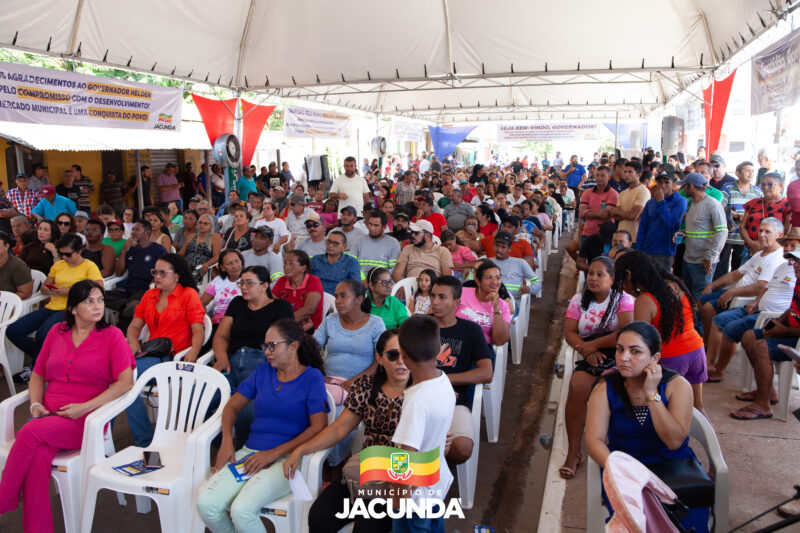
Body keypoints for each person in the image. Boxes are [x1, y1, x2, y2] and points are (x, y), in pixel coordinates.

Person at [0, 280, 134, 533]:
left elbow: (126, 383)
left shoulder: (111, 336)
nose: (97, 306)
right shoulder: (57, 332)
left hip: (85, 419)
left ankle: (4, 499)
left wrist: (85, 408)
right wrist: (36, 404)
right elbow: (38, 374)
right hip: (48, 416)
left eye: (100, 300)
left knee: (28, 433)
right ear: (72, 308)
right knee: (38, 458)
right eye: (89, 301)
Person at [196, 319, 329, 533]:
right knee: (206, 505)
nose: (267, 351)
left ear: (293, 346)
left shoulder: (311, 377)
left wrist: (273, 454)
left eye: (272, 346)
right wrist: (227, 442)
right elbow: (231, 408)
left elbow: (318, 426)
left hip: (289, 459)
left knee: (242, 511)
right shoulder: (264, 371)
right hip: (251, 453)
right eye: (265, 346)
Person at [585, 321, 707, 533]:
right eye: (620, 349)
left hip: (672, 463)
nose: (623, 357)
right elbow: (593, 439)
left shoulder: (677, 386)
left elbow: (674, 441)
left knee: (686, 523)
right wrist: (617, 468)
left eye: (635, 351)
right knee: (632, 514)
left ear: (655, 359)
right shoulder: (605, 387)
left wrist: (652, 394)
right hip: (624, 466)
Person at [561, 256, 634, 479]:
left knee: (623, 392)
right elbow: (570, 332)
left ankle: (623, 450)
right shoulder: (578, 300)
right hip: (588, 353)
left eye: (600, 274)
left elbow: (626, 332)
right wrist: (587, 350)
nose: (593, 278)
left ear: (612, 279)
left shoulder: (624, 300)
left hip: (620, 353)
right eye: (591, 273)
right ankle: (574, 453)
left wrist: (595, 344)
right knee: (577, 387)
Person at [124, 254, 206, 447]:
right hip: (149, 354)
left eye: (162, 273)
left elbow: (198, 330)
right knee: (122, 381)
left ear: (177, 275)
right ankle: (131, 439)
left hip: (173, 357)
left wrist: (193, 353)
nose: (157, 276)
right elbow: (134, 327)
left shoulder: (188, 294)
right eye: (155, 272)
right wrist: (135, 346)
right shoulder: (149, 295)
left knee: (124, 380)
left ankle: (143, 442)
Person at [614, 251, 707, 412]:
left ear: (629, 274)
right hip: (696, 351)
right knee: (697, 408)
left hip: (671, 359)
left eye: (621, 279)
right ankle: (710, 437)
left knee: (667, 411)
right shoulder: (674, 284)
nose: (621, 285)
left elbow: (640, 342)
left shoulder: (645, 300)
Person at [210, 266, 295, 442]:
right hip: (231, 361)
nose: (243, 287)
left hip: (261, 363)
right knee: (203, 399)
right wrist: (221, 357)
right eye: (241, 282)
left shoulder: (280, 307)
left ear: (264, 286)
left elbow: (284, 344)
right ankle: (222, 445)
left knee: (246, 409)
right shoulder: (237, 303)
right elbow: (221, 336)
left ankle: (242, 453)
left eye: (249, 283)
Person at [707, 228, 800, 384]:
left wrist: (782, 327)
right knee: (719, 319)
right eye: (788, 246)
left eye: (794, 246)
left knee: (746, 336)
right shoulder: (785, 266)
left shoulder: (792, 269)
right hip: (762, 311)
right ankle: (709, 364)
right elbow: (767, 289)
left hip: (772, 315)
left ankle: (721, 371)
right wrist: (756, 303)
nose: (789, 250)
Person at [389, 316, 455, 533]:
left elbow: (406, 458)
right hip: (436, 482)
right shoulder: (443, 380)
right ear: (438, 349)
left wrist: (398, 499)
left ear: (404, 355)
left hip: (415, 497)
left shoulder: (416, 401)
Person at [8, 234, 103, 382]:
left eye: (68, 254)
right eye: (61, 254)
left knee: (43, 334)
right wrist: (48, 289)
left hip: (73, 309)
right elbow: (45, 286)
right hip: (53, 305)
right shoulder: (58, 265)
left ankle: (35, 369)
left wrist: (71, 291)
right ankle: (44, 360)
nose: (64, 257)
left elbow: (99, 289)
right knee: (13, 331)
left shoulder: (89, 266)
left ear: (79, 250)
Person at [430, 276, 493, 464]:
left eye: (442, 297)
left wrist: (443, 380)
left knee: (462, 450)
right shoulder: (420, 326)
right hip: (417, 396)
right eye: (433, 296)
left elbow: (486, 373)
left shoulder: (470, 330)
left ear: (457, 302)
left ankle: (436, 461)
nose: (435, 302)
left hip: (454, 400)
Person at [698, 217, 785, 340]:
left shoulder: (776, 258)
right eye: (760, 231)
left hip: (745, 297)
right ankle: (705, 336)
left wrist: (731, 292)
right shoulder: (759, 254)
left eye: (767, 232)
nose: (761, 235)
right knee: (702, 300)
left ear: (779, 235)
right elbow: (736, 274)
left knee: (708, 308)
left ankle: (706, 343)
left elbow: (759, 287)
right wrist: (711, 286)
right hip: (736, 291)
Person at [314, 280, 386, 390]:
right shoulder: (330, 320)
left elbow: (382, 359)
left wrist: (355, 381)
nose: (337, 301)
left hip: (362, 386)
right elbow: (310, 349)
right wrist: (320, 376)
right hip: (329, 383)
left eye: (343, 296)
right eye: (336, 296)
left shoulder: (376, 324)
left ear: (359, 299)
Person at [104, 219, 167, 333]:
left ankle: (121, 336)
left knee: (133, 307)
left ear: (147, 232)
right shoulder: (130, 249)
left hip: (146, 289)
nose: (133, 232)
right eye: (132, 229)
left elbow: (165, 270)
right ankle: (126, 306)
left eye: (137, 229)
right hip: (128, 289)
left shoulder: (158, 249)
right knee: (99, 296)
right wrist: (124, 251)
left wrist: (154, 281)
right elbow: (119, 273)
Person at [681, 172, 728, 297]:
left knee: (701, 294)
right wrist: (683, 232)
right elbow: (699, 229)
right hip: (690, 258)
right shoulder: (694, 204)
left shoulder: (712, 204)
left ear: (690, 187)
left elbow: (722, 231)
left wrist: (711, 256)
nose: (682, 189)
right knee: (690, 292)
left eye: (684, 186)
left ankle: (699, 317)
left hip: (704, 261)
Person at [635, 170, 688, 273]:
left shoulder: (680, 201)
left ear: (673, 184)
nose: (663, 185)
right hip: (647, 249)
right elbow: (643, 227)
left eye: (666, 182)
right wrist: (639, 249)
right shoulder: (650, 202)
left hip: (664, 252)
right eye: (660, 182)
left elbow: (671, 223)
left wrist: (661, 202)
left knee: (662, 283)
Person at [456, 260, 511, 347]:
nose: (494, 282)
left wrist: (496, 307)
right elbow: (447, 318)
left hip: (481, 348)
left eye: (498, 277)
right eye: (489, 277)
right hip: (456, 342)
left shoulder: (503, 305)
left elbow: (500, 341)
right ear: (478, 281)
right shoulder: (462, 292)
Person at [740, 172, 791, 257]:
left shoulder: (788, 204)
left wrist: (768, 246)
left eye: (770, 184)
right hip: (751, 249)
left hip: (774, 251)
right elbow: (742, 227)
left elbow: (787, 229)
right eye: (763, 185)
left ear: (781, 186)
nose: (765, 188)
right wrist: (752, 243)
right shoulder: (753, 203)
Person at [272, 250, 325, 331]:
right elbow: (272, 304)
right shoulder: (282, 281)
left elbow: (309, 310)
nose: (286, 266)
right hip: (284, 327)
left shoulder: (313, 281)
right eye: (285, 263)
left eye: (291, 264)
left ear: (303, 268)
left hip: (310, 329)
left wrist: (283, 325)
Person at [492, 231, 540, 305]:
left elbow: (537, 283)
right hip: (489, 302)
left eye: (503, 247)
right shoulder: (487, 263)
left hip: (513, 303)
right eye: (497, 246)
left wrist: (529, 289)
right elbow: (470, 282)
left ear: (510, 249)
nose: (499, 250)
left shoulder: (520, 263)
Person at [608, 161, 650, 245]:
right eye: (625, 172)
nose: (626, 174)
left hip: (635, 239)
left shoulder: (643, 191)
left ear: (639, 174)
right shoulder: (623, 193)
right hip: (620, 239)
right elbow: (615, 216)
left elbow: (634, 215)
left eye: (630, 172)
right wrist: (626, 214)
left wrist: (618, 212)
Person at [311, 229, 362, 295]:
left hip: (340, 300)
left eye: (335, 243)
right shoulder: (315, 260)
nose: (330, 245)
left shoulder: (352, 262)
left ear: (344, 247)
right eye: (328, 242)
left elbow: (356, 287)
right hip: (316, 297)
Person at [201, 249, 244, 326]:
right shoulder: (218, 281)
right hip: (218, 324)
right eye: (229, 263)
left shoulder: (248, 280)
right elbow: (201, 303)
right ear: (222, 267)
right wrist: (209, 322)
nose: (235, 266)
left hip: (240, 324)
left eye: (237, 261)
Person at [351, 210, 401, 276]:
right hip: (360, 282)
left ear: (384, 227)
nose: (372, 228)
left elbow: (394, 268)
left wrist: (379, 281)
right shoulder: (359, 240)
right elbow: (351, 263)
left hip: (382, 283)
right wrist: (363, 279)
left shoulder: (393, 243)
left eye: (376, 225)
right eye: (370, 224)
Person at [579, 165, 618, 242]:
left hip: (605, 236)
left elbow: (606, 215)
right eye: (597, 175)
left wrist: (589, 213)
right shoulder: (587, 193)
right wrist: (599, 213)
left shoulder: (613, 194)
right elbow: (581, 213)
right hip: (587, 233)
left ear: (609, 177)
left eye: (602, 175)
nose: (599, 178)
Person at [180, 213, 222, 281]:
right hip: (187, 266)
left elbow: (217, 257)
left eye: (205, 223)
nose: (202, 225)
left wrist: (207, 264)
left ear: (210, 226)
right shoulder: (192, 236)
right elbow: (181, 253)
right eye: (200, 222)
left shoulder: (215, 237)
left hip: (203, 268)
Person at [0, 231, 33, 300]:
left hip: (8, 305)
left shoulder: (18, 266)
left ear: (6, 246)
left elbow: (26, 293)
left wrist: (4, 299)